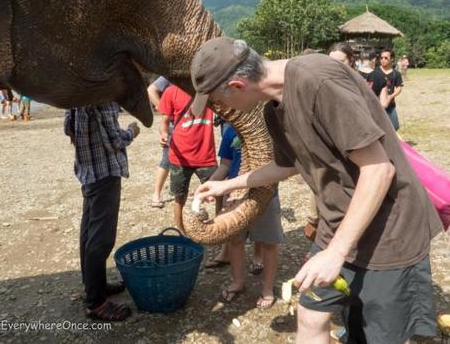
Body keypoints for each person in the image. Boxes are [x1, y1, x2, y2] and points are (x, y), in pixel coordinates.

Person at [191, 37, 442, 344]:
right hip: (337, 227)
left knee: (378, 336)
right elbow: (288, 165)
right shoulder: (273, 111)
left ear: (238, 85)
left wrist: (336, 252)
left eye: (218, 101)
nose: (220, 110)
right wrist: (228, 184)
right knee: (310, 316)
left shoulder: (318, 81)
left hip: (388, 231)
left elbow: (379, 169)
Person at [64, 103, 140, 321]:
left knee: (88, 233)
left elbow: (68, 130)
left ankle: (93, 285)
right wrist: (132, 131)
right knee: (101, 239)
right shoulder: (102, 97)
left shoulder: (75, 97)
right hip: (105, 173)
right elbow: (116, 141)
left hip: (87, 172)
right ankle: (95, 303)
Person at [207, 124, 283, 308]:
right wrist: (210, 184)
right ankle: (238, 282)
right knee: (235, 241)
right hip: (235, 195)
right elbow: (225, 165)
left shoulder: (269, 129)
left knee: (269, 243)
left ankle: (267, 288)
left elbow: (281, 164)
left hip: (266, 195)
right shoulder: (230, 131)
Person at [158, 85, 217, 235]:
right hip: (180, 157)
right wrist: (164, 134)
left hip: (206, 156)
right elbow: (164, 122)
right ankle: (181, 231)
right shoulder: (171, 91)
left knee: (219, 194)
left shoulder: (209, 88)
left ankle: (219, 227)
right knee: (179, 196)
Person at [147, 76, 172, 208]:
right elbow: (151, 90)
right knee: (167, 159)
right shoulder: (170, 76)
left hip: (191, 122)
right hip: (173, 123)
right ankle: (156, 194)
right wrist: (164, 109)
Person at [370, 48, 404, 130]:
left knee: (395, 126)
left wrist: (391, 97)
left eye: (386, 58)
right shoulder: (375, 73)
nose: (383, 60)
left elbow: (399, 87)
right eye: (381, 58)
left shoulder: (396, 74)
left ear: (392, 59)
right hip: (377, 106)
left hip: (391, 106)